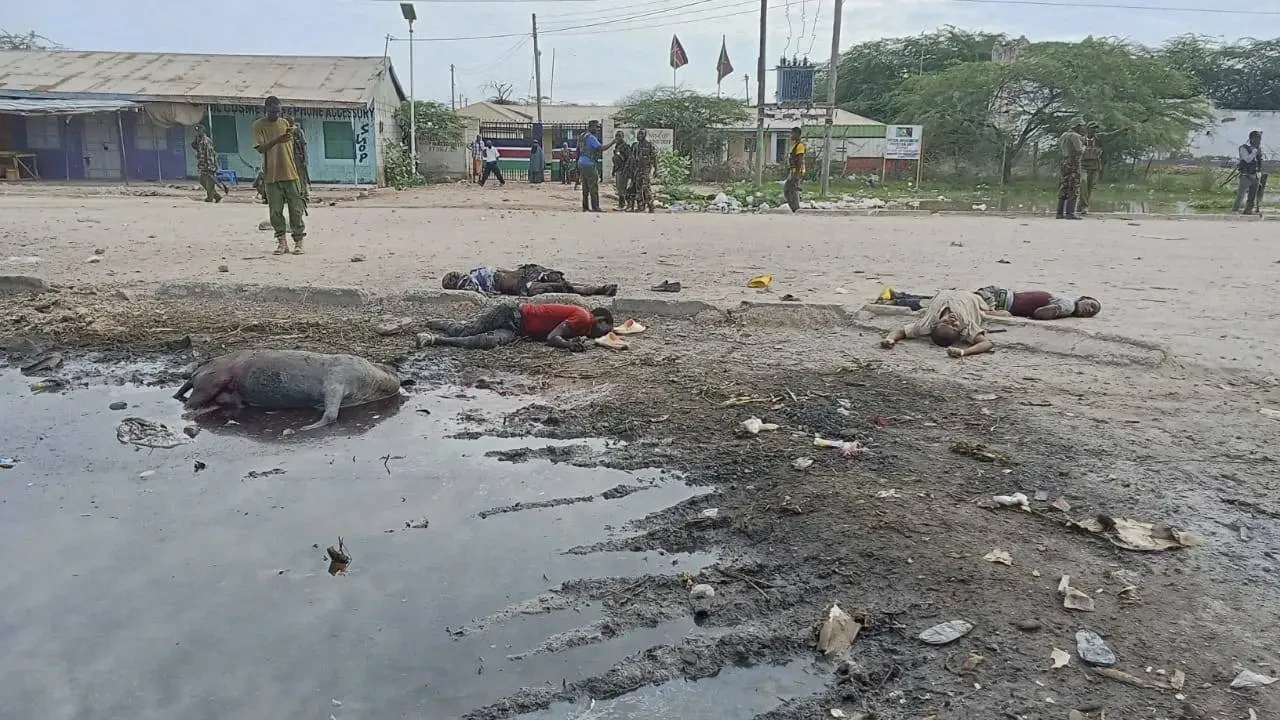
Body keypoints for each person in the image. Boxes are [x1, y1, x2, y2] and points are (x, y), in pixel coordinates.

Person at [416, 302, 614, 352]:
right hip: (513, 313)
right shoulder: (584, 317)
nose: (604, 334)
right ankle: (441, 325)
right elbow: (552, 337)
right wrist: (569, 346)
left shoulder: (583, 327)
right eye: (606, 329)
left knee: (487, 341)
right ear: (600, 319)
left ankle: (435, 340)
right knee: (467, 331)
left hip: (519, 329)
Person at [252, 96, 306, 255]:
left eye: (278, 112)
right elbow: (260, 148)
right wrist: (278, 139)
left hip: (290, 173)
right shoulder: (258, 125)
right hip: (272, 175)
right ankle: (282, 242)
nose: (276, 115)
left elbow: (297, 147)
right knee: (275, 212)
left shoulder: (285, 123)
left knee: (296, 210)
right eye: (273, 112)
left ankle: (298, 241)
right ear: (266, 110)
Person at [879, 289, 994, 358]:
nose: (951, 320)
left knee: (917, 301)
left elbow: (901, 331)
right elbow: (986, 344)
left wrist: (890, 339)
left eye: (945, 322)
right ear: (960, 332)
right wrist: (964, 352)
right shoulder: (967, 327)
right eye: (955, 326)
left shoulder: (926, 324)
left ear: (935, 324)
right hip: (976, 297)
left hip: (943, 294)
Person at [441, 264, 617, 297]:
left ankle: (598, 289)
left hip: (525, 275)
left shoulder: (473, 274)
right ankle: (599, 289)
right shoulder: (468, 283)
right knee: (563, 286)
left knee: (561, 283)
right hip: (522, 283)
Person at [976, 286, 1101, 320]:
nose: (1090, 310)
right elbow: (1040, 313)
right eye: (1091, 305)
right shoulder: (1069, 305)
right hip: (998, 301)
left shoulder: (1065, 299)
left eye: (1092, 313)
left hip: (1001, 294)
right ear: (1083, 298)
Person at [578, 120, 619, 212]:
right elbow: (601, 148)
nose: (597, 129)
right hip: (589, 163)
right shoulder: (591, 138)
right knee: (593, 186)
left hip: (581, 162)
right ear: (591, 127)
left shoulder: (582, 136)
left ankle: (585, 207)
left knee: (585, 187)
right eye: (596, 127)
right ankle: (595, 207)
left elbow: (578, 150)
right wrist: (612, 142)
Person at [1057, 118, 1085, 220]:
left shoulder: (1063, 135)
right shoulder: (1075, 136)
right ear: (1077, 126)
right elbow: (1079, 150)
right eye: (1081, 126)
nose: (1083, 128)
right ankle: (1070, 213)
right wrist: (1084, 147)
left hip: (1064, 162)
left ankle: (1059, 212)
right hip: (1073, 163)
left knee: (1064, 187)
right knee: (1074, 187)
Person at [629, 129, 659, 213]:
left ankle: (650, 205)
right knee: (638, 188)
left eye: (641, 134)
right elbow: (633, 159)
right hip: (637, 170)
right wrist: (631, 170)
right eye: (638, 134)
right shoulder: (636, 146)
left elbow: (654, 158)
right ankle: (640, 206)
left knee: (646, 188)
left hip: (646, 169)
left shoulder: (649, 145)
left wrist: (656, 169)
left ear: (645, 135)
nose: (639, 136)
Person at [1235, 130, 1264, 215]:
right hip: (1246, 175)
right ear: (1251, 139)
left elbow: (1259, 162)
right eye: (1257, 139)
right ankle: (1234, 211)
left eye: (1260, 139)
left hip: (1255, 175)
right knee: (1240, 196)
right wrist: (1254, 152)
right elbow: (1247, 159)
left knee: (1252, 196)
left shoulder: (1258, 149)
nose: (1259, 141)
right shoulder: (1243, 148)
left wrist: (1259, 172)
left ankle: (1248, 211)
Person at [191, 125, 221, 203]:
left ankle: (210, 198)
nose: (198, 133)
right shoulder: (198, 140)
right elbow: (195, 147)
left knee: (209, 182)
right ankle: (217, 196)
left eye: (199, 131)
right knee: (202, 180)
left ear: (203, 131)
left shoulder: (206, 141)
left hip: (208, 165)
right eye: (197, 131)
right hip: (202, 165)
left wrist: (211, 166)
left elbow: (210, 154)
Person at [1079, 121, 1102, 215]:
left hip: (1095, 166)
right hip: (1083, 165)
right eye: (1093, 128)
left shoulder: (1099, 139)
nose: (1094, 130)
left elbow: (1113, 135)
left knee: (1090, 187)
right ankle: (1084, 206)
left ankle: (1082, 206)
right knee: (1083, 182)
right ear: (1087, 129)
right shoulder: (1081, 139)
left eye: (1096, 128)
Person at [783, 126, 807, 213]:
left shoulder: (800, 145)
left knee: (791, 189)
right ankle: (794, 207)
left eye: (792, 133)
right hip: (793, 170)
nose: (791, 135)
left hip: (797, 171)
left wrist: (796, 173)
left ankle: (796, 208)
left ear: (797, 134)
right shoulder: (796, 145)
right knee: (790, 189)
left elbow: (799, 160)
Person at [611, 130, 632, 210]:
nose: (617, 138)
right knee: (619, 187)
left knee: (622, 188)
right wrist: (613, 170)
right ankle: (622, 204)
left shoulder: (626, 147)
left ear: (623, 137)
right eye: (616, 136)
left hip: (623, 170)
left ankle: (623, 204)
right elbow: (616, 159)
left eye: (619, 136)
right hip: (618, 169)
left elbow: (628, 159)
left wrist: (625, 170)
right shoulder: (617, 146)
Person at [290, 118, 310, 202]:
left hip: (298, 158)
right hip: (288, 158)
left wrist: (305, 159)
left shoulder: (298, 132)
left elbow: (303, 146)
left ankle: (304, 196)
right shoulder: (284, 132)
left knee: (302, 178)